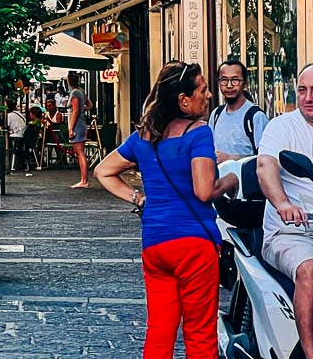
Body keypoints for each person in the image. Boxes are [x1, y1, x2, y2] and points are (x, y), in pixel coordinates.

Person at [94, 61, 237, 359]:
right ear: (183, 100)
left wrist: (138, 198)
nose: (209, 95)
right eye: (202, 89)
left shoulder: (145, 136)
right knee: (199, 333)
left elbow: (103, 171)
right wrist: (230, 180)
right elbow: (203, 190)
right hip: (194, 244)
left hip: (156, 245)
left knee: (160, 330)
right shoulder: (198, 133)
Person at [256, 64, 313, 358]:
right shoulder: (281, 127)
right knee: (310, 270)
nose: (308, 97)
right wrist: (282, 203)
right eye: (302, 90)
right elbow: (266, 166)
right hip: (290, 231)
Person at [212, 58, 269, 162]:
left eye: (235, 80)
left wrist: (231, 159)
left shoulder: (256, 117)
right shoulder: (215, 114)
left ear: (245, 83)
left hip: (244, 177)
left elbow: (266, 159)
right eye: (224, 80)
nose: (229, 86)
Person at [67, 71, 90, 188]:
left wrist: (71, 128)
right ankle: (83, 179)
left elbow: (75, 111)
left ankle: (84, 180)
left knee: (80, 153)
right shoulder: (82, 91)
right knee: (80, 153)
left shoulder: (75, 93)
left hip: (77, 125)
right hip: (81, 123)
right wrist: (83, 109)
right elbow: (90, 105)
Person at [6, 101, 28, 173]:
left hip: (14, 136)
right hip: (22, 135)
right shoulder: (20, 114)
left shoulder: (9, 115)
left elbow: (6, 125)